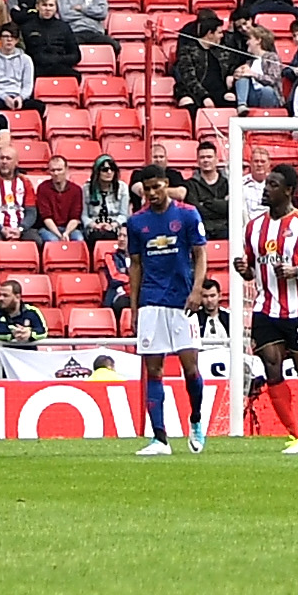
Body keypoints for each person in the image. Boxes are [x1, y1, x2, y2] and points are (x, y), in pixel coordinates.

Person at [229, 162, 298, 454]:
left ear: (289, 191)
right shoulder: (254, 228)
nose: (266, 189)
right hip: (265, 310)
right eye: (266, 183)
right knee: (271, 365)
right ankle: (297, 437)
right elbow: (252, 273)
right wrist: (243, 269)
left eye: (273, 185)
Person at [120, 162, 213, 456]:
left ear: (166, 185)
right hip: (150, 300)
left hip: (182, 300)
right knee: (154, 370)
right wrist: (134, 308)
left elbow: (200, 254)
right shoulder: (136, 222)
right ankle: (160, 439)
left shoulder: (186, 215)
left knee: (190, 368)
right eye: (146, 189)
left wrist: (197, 289)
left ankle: (196, 420)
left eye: (156, 187)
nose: (152, 193)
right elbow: (135, 265)